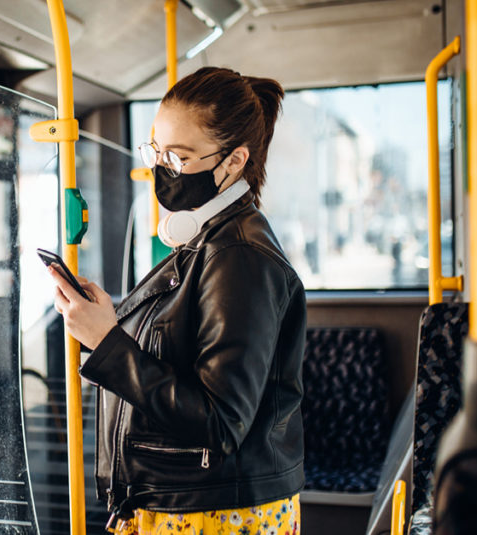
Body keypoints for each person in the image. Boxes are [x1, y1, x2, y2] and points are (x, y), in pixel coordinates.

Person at [48, 67, 306, 535]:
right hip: (183, 503)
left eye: (179, 156)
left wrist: (108, 344)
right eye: (156, 151)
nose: (161, 168)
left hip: (213, 515)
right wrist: (110, 325)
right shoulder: (205, 243)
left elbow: (221, 423)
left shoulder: (240, 258)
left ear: (233, 161)